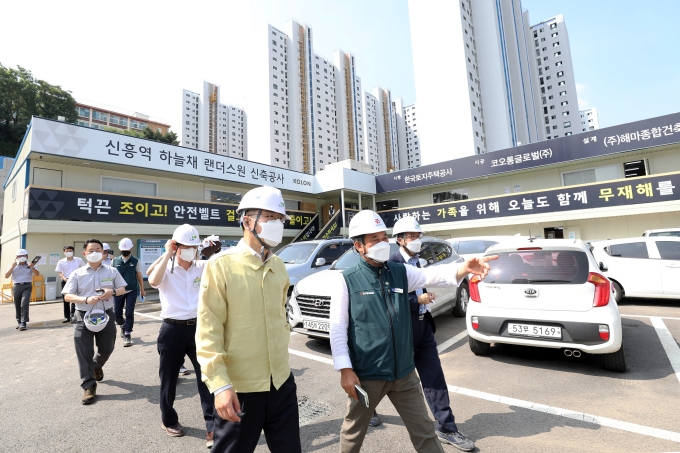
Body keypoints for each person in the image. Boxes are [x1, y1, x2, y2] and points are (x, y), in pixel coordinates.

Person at [329, 210, 496, 453]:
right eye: (373, 239)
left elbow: (431, 275)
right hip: (369, 374)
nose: (382, 243)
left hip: (404, 374)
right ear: (359, 246)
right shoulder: (347, 280)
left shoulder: (399, 272)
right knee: (353, 433)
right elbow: (337, 328)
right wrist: (345, 370)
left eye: (383, 237)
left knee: (425, 432)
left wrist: (464, 268)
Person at [196, 185, 302, 453]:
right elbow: (209, 330)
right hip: (239, 390)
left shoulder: (279, 267)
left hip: (281, 383)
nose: (277, 223)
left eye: (280, 218)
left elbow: (280, 318)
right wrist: (219, 385)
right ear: (247, 221)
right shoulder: (221, 265)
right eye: (269, 217)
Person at [384, 216, 474, 451]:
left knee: (434, 378)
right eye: (412, 237)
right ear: (399, 239)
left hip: (424, 327)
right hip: (403, 329)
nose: (416, 240)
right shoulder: (390, 263)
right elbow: (387, 297)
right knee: (384, 377)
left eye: (418, 236)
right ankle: (368, 408)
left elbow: (433, 279)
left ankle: (447, 428)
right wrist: (416, 300)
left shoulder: (419, 261)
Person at [147, 224, 215, 448]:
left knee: (207, 377)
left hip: (198, 328)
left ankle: (213, 426)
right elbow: (153, 281)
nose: (192, 251)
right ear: (176, 246)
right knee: (168, 379)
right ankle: (169, 420)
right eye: (187, 246)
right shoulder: (166, 268)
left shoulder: (202, 267)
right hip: (172, 329)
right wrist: (167, 254)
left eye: (195, 247)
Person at [62, 239, 128, 405]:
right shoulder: (77, 274)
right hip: (82, 316)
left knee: (107, 347)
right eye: (90, 250)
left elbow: (122, 289)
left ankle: (96, 365)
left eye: (98, 249)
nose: (94, 253)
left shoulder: (112, 271)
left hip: (106, 314)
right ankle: (89, 385)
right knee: (83, 351)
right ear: (84, 254)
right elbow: (67, 296)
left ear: (104, 253)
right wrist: (85, 299)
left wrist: (111, 291)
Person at [112, 238, 146, 347]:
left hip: (131, 290)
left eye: (126, 249)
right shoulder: (115, 261)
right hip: (118, 290)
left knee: (129, 313)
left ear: (131, 248)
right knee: (117, 314)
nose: (125, 251)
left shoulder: (136, 261)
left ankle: (127, 334)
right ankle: (123, 325)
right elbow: (111, 276)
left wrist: (142, 289)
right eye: (123, 249)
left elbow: (139, 275)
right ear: (119, 249)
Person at [5, 249, 40, 331]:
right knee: (17, 305)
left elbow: (37, 274)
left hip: (27, 285)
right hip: (16, 286)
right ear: (17, 257)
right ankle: (19, 321)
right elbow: (6, 276)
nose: (22, 257)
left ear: (27, 256)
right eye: (20, 256)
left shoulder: (31, 265)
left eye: (24, 255)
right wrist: (12, 267)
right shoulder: (13, 265)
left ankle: (23, 322)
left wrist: (32, 267)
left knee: (24, 303)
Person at [56, 245, 85, 323]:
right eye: (67, 251)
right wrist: (65, 278)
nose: (69, 252)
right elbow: (59, 272)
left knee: (75, 299)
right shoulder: (61, 261)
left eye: (70, 251)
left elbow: (84, 268)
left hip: (76, 281)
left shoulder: (78, 260)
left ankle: (73, 316)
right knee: (66, 299)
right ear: (64, 252)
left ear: (73, 251)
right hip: (65, 281)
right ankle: (67, 317)